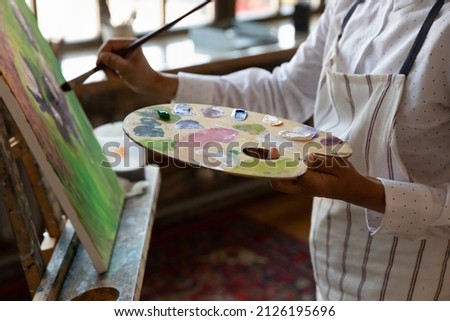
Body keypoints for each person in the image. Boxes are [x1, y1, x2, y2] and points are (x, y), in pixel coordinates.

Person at [97, 0, 450, 300]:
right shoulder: (350, 5)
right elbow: (284, 91)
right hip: (331, 246)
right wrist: (156, 81)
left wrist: (361, 191)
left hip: (417, 271)